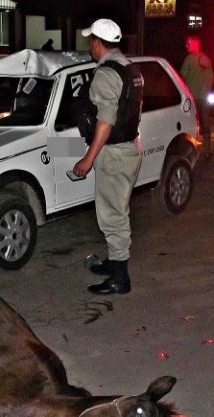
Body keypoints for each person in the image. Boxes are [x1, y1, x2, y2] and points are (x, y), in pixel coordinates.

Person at [73, 18, 144, 295]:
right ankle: (114, 263)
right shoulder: (130, 68)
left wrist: (87, 159)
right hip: (128, 148)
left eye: (91, 41)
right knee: (117, 209)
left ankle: (119, 279)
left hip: (114, 153)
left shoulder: (106, 73)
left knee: (112, 216)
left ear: (97, 43)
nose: (89, 45)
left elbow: (105, 121)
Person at [179, 35, 214, 157]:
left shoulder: (189, 59)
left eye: (188, 44)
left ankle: (191, 149)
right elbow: (211, 78)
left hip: (192, 98)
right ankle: (207, 150)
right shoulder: (206, 59)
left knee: (191, 123)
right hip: (204, 97)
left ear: (194, 44)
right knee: (206, 123)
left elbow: (181, 78)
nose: (186, 46)